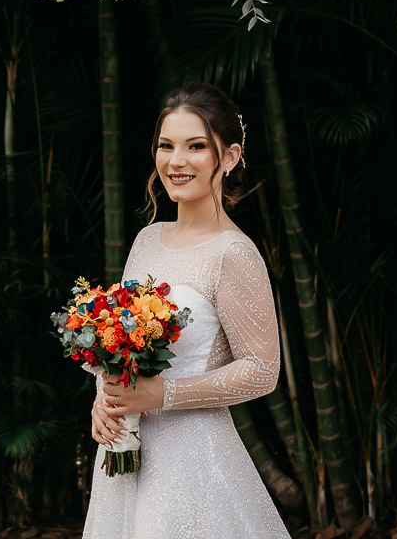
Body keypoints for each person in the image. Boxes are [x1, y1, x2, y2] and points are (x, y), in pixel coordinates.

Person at [82, 82, 292, 539]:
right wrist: (105, 398)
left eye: (196, 146)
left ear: (230, 157)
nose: (176, 161)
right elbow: (119, 340)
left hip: (195, 462)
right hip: (125, 456)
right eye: (166, 145)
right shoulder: (146, 240)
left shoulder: (234, 254)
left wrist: (163, 395)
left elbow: (262, 369)